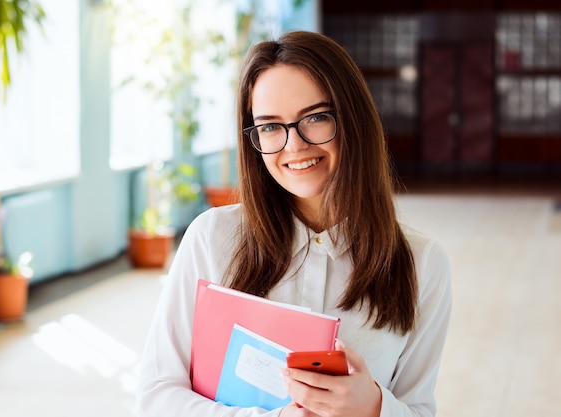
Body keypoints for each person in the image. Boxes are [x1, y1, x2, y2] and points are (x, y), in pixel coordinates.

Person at [136, 30, 451, 417]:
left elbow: (419, 408)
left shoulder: (422, 263)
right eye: (270, 126)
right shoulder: (211, 238)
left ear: (353, 120)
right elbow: (156, 397)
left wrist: (374, 406)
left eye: (315, 118)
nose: (293, 146)